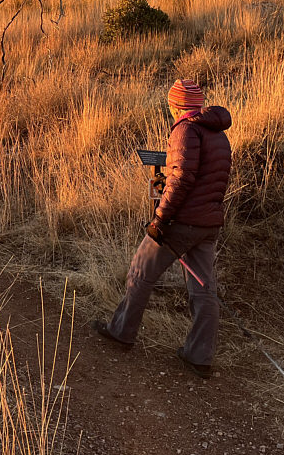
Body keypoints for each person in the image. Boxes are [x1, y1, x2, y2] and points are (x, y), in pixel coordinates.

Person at [91, 79, 232, 378]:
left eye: (170, 103)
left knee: (141, 271)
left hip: (180, 222)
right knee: (204, 289)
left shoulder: (185, 130)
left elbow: (180, 180)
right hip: (209, 223)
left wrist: (160, 219)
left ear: (176, 105)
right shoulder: (218, 134)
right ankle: (199, 356)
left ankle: (121, 332)